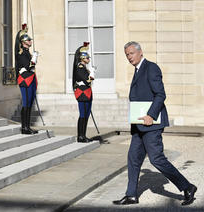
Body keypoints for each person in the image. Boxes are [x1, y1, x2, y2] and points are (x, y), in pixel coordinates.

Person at [113, 41, 197, 206]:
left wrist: (151, 115)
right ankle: (131, 195)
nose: (129, 57)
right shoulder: (137, 71)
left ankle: (187, 187)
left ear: (140, 52)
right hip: (138, 125)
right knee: (133, 158)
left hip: (151, 124)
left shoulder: (151, 68)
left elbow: (160, 94)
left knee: (156, 159)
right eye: (127, 55)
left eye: (131, 53)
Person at [14, 24, 39, 134]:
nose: (30, 41)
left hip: (30, 79)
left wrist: (33, 60)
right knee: (26, 103)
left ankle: (27, 126)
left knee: (29, 103)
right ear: (23, 42)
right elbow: (28, 66)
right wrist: (33, 59)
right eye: (28, 40)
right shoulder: (21, 53)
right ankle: (24, 127)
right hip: (25, 81)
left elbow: (31, 67)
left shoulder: (27, 52)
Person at [72, 42, 96, 143]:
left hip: (87, 93)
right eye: (87, 58)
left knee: (86, 115)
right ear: (82, 58)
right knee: (83, 115)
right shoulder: (80, 68)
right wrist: (92, 73)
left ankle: (83, 135)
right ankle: (80, 136)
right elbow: (87, 81)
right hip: (83, 94)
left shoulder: (84, 68)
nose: (88, 60)